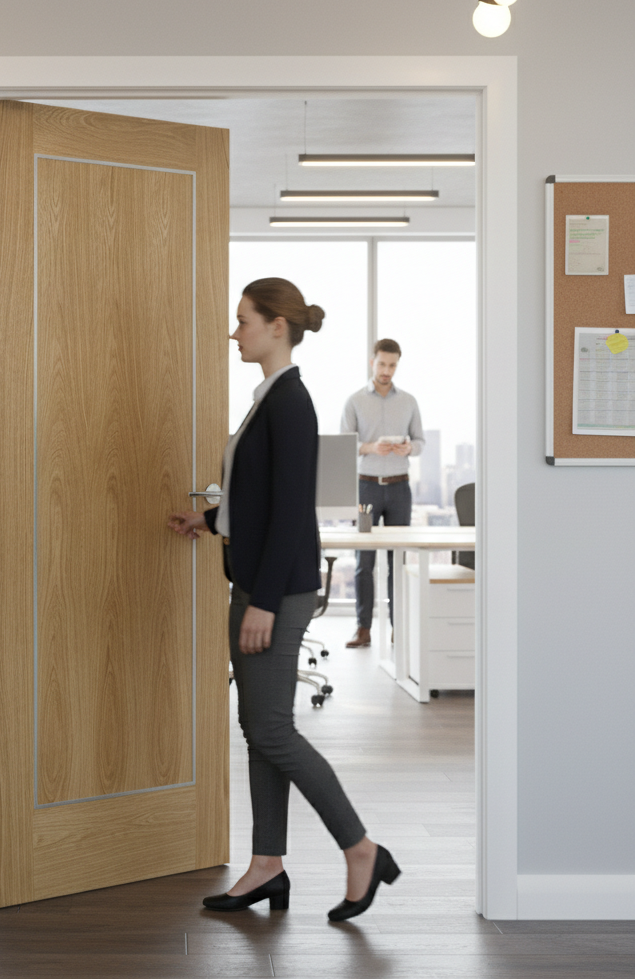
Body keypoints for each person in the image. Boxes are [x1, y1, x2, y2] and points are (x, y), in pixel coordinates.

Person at [168, 278, 399, 920]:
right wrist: (211, 520)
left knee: (270, 727)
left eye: (243, 320)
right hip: (257, 580)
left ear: (276, 326)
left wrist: (264, 602)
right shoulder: (268, 397)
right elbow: (261, 496)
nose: (234, 332)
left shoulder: (291, 401)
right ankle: (267, 865)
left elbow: (294, 507)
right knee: (259, 726)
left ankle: (361, 849)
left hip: (276, 590)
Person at [340, 339, 424, 649]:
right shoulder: (355, 401)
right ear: (372, 362)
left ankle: (397, 627)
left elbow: (420, 442)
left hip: (400, 488)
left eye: (392, 365)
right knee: (364, 561)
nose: (387, 370)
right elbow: (346, 443)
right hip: (366, 487)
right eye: (382, 364)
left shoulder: (409, 401)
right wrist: (371, 447)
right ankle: (363, 628)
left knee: (397, 560)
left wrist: (409, 448)